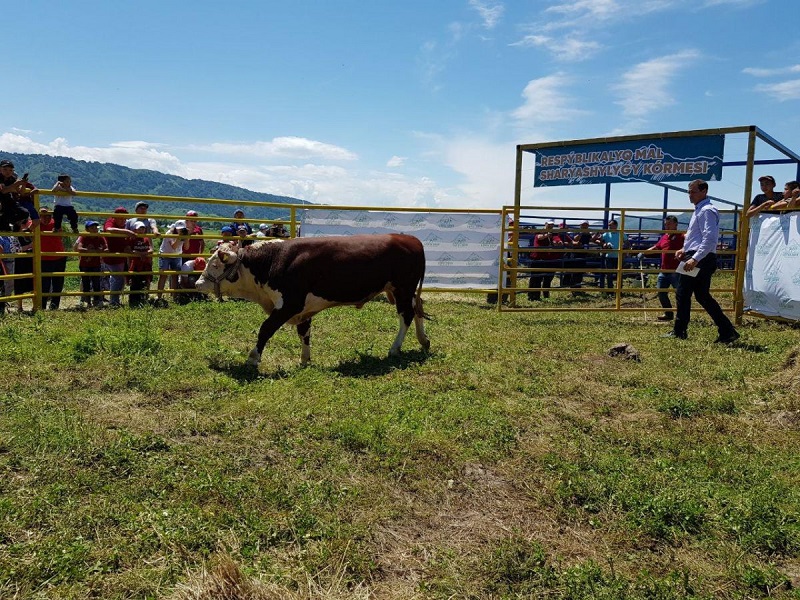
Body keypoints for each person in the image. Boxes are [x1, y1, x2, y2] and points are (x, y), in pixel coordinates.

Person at [664, 180, 740, 344]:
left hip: (699, 258)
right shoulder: (701, 210)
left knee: (683, 292)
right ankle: (727, 331)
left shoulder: (706, 210)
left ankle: (680, 331)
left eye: (693, 191)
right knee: (702, 296)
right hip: (700, 256)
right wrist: (685, 250)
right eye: (689, 192)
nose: (690, 195)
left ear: (704, 191)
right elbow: (698, 237)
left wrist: (694, 258)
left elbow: (710, 237)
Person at [639, 215, 684, 321]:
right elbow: (656, 247)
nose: (666, 226)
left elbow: (689, 245)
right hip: (664, 270)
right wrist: (644, 253)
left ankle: (681, 315)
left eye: (669, 224)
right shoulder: (664, 237)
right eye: (665, 224)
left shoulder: (682, 236)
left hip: (676, 270)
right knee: (661, 292)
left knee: (680, 294)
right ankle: (668, 313)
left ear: (676, 224)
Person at [103, 207, 136, 307]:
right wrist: (126, 232)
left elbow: (123, 241)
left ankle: (114, 300)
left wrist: (126, 246)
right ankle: (113, 302)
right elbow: (109, 230)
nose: (123, 221)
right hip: (111, 257)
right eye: (121, 218)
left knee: (119, 279)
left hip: (120, 256)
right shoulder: (110, 221)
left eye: (125, 218)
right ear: (115, 217)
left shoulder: (123, 225)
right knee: (117, 278)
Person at [38, 208, 67, 310]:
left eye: (49, 216)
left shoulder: (56, 223)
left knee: (58, 284)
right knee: (44, 284)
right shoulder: (36, 224)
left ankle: (54, 306)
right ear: (39, 216)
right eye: (43, 216)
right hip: (44, 258)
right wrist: (38, 211)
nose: (46, 218)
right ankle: (42, 306)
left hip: (59, 256)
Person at [74, 220, 108, 307]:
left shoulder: (99, 237)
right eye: (92, 227)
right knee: (86, 283)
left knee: (96, 282)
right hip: (84, 264)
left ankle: (96, 300)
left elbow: (106, 248)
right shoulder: (84, 237)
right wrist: (96, 251)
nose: (94, 229)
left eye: (95, 227)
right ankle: (87, 301)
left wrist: (93, 251)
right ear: (87, 229)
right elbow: (79, 248)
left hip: (95, 263)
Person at [527, 220, 563, 301]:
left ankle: (536, 296)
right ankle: (531, 296)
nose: (550, 226)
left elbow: (557, 241)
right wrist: (547, 235)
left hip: (545, 259)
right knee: (535, 278)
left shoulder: (553, 234)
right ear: (545, 224)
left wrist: (558, 243)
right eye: (549, 225)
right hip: (537, 258)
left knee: (540, 278)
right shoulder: (540, 231)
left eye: (552, 225)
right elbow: (539, 237)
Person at [156, 219, 188, 304]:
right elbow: (174, 246)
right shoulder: (169, 233)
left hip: (176, 255)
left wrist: (187, 238)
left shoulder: (184, 234)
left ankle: (174, 297)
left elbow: (187, 247)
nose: (180, 230)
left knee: (175, 276)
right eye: (179, 228)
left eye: (182, 228)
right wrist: (180, 237)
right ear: (175, 228)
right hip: (165, 255)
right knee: (163, 276)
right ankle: (159, 297)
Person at [593, 219, 626, 292]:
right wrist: (603, 244)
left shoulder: (621, 233)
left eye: (611, 225)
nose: (609, 227)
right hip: (609, 257)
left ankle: (619, 290)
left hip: (619, 256)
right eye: (609, 225)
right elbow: (596, 240)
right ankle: (610, 290)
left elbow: (627, 243)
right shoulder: (606, 234)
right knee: (609, 274)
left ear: (615, 225)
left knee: (619, 274)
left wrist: (625, 251)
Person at [0, 160, 32, 232]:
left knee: (25, 213)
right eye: (5, 169)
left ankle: (7, 223)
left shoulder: (12, 178)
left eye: (10, 170)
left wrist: (23, 184)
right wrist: (16, 184)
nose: (8, 172)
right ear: (0, 169)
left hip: (8, 200)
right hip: (2, 201)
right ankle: (4, 223)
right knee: (7, 209)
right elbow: (3, 190)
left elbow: (20, 192)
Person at [128, 221, 154, 308]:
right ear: (135, 229)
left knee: (146, 281)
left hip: (145, 264)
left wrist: (143, 253)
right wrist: (140, 253)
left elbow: (151, 249)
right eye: (139, 228)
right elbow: (128, 249)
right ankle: (133, 301)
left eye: (143, 228)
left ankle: (145, 299)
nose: (141, 230)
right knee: (135, 282)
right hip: (136, 264)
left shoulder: (147, 238)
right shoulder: (132, 238)